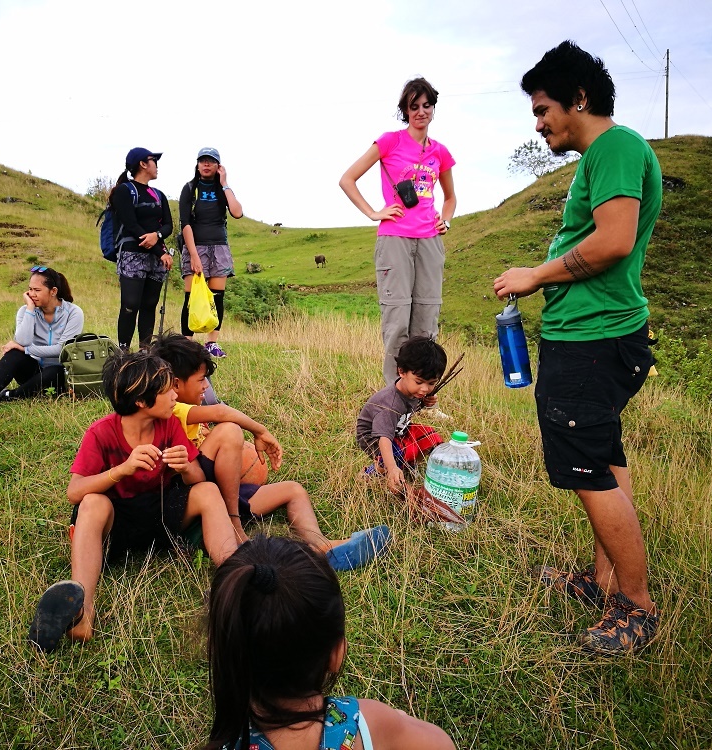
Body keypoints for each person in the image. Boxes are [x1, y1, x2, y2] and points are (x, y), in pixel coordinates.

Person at [493, 41, 662, 654]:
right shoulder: (603, 156)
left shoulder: (615, 146)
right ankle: (602, 581)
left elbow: (615, 240)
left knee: (589, 472)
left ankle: (635, 607)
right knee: (604, 460)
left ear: (579, 100)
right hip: (591, 337)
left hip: (593, 340)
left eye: (542, 110)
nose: (538, 124)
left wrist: (536, 275)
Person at [27, 350, 238, 651]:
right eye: (167, 390)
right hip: (118, 525)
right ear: (141, 401)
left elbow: (198, 481)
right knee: (92, 503)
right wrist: (122, 469)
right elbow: (75, 491)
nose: (175, 395)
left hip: (161, 515)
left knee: (207, 491)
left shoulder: (169, 425)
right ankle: (82, 614)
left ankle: (237, 576)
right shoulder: (101, 433)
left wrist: (186, 467)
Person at [151, 333, 390, 571]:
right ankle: (235, 525)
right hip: (196, 501)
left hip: (222, 494)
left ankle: (322, 547)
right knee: (229, 431)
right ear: (175, 384)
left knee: (293, 490)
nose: (206, 386)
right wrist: (260, 431)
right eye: (201, 380)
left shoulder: (190, 409)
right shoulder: (174, 410)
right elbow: (222, 413)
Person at [205, 535, 455, 750]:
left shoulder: (228, 741)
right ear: (336, 653)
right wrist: (397, 720)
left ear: (226, 651)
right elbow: (442, 744)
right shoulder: (366, 722)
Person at [340, 77, 457, 385]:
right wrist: (373, 213)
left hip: (430, 241)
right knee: (397, 323)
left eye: (426, 105)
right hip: (394, 239)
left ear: (433, 107)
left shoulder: (440, 152)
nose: (421, 111)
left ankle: (424, 394)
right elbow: (347, 179)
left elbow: (450, 196)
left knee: (426, 323)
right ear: (405, 110)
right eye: (413, 106)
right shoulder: (389, 141)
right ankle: (393, 394)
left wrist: (446, 219)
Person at [0, 266, 83, 419]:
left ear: (53, 291)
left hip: (59, 374)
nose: (31, 294)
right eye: (30, 289)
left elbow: (62, 349)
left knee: (53, 371)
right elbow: (22, 341)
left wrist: (27, 350)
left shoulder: (73, 313)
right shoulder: (25, 311)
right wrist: (30, 309)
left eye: (37, 290)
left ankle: (11, 395)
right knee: (14, 353)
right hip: (32, 371)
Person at [356, 336, 446, 495]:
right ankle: (371, 472)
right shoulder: (390, 403)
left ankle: (407, 465)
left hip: (399, 430)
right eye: (419, 382)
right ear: (401, 371)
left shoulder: (412, 391)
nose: (425, 389)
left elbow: (407, 411)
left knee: (431, 437)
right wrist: (391, 468)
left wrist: (424, 403)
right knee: (397, 452)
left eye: (431, 383)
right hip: (373, 437)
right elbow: (384, 438)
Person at [179, 147, 244, 358]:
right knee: (192, 296)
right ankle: (187, 345)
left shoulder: (222, 190)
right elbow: (185, 224)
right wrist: (194, 256)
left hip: (219, 247)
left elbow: (237, 212)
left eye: (211, 161)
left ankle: (212, 343)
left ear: (218, 166)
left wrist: (225, 183)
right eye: (202, 161)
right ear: (197, 165)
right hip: (195, 247)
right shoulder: (190, 188)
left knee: (217, 298)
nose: (206, 164)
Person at [111, 147, 174, 351]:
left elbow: (168, 225)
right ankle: (123, 351)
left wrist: (157, 236)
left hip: (156, 258)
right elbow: (130, 223)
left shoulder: (159, 195)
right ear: (143, 164)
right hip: (132, 254)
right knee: (130, 304)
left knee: (149, 304)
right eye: (153, 160)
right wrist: (160, 250)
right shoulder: (123, 191)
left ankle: (145, 351)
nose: (157, 165)